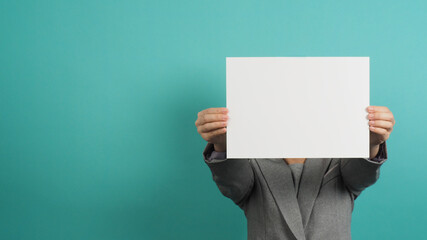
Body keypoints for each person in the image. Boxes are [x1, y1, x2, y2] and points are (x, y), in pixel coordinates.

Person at [195, 106, 394, 240]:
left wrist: (370, 142)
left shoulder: (340, 152)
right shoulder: (251, 157)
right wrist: (221, 142)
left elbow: (361, 175)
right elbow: (233, 182)